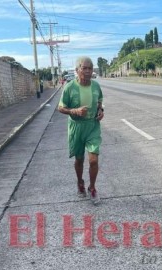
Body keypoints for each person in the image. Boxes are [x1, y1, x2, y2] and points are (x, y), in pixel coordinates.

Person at [58, 56, 104, 204]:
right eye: (84, 68)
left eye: (90, 68)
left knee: (93, 160)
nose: (88, 71)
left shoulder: (96, 86)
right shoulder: (69, 87)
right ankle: (80, 182)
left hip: (92, 126)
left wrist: (100, 111)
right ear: (77, 70)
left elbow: (99, 102)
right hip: (76, 127)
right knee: (79, 159)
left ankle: (92, 188)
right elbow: (60, 107)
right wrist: (75, 111)